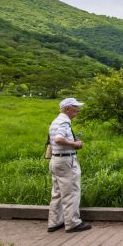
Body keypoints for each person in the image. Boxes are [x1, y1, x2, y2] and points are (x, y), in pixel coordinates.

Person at [47, 98, 91, 233]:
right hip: (66, 161)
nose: (77, 110)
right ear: (67, 109)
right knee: (71, 192)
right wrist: (75, 144)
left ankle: (55, 222)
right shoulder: (64, 122)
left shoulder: (56, 121)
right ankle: (73, 223)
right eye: (75, 108)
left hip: (56, 160)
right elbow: (58, 139)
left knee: (57, 193)